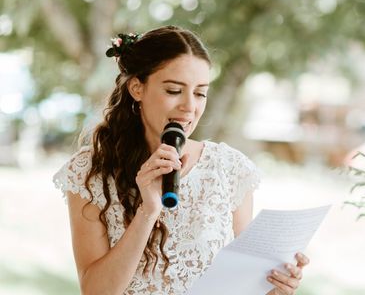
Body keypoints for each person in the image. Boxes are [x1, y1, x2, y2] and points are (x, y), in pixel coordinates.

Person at [53, 26, 308, 295]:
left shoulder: (229, 168)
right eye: (174, 90)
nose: (189, 107)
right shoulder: (90, 171)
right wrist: (147, 211)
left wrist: (274, 288)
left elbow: (242, 284)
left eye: (200, 93)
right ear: (137, 88)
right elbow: (95, 292)